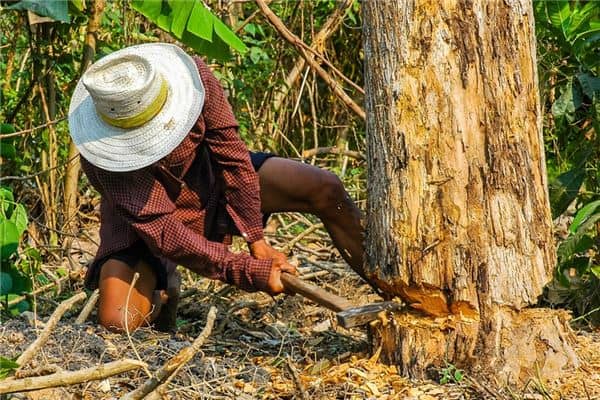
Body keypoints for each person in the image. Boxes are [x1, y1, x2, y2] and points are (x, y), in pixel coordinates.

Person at [68, 43, 365, 333]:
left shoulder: (196, 81)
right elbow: (162, 231)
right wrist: (248, 271)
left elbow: (234, 160)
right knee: (118, 321)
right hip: (144, 226)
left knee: (325, 188)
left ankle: (393, 286)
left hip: (210, 184)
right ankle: (163, 286)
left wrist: (256, 241)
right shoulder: (101, 159)